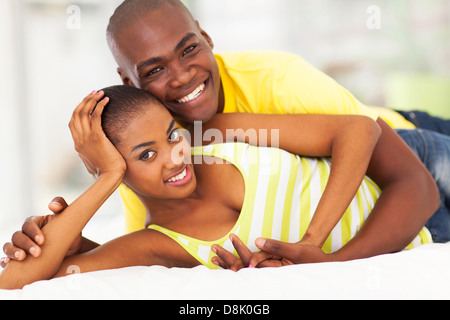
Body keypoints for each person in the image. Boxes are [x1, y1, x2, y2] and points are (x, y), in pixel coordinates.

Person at [2, 0, 449, 264]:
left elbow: (399, 169)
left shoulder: (279, 79)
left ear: (208, 39)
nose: (180, 78)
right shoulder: (152, 150)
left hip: (409, 143)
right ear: (126, 81)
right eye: (155, 69)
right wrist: (65, 242)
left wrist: (323, 254)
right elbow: (162, 243)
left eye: (189, 49)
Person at [0, 86, 438, 289]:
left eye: (171, 135)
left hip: (418, 161)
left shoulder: (217, 135)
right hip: (425, 232)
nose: (175, 157)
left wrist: (313, 247)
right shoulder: (156, 245)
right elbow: (14, 281)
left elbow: (360, 131)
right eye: (145, 155)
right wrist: (106, 178)